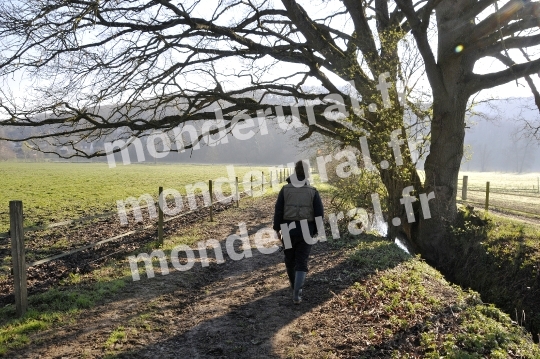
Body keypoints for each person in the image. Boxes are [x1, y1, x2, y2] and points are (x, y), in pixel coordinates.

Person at [273, 160, 324, 304]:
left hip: (287, 230)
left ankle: (293, 286)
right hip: (306, 230)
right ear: (307, 173)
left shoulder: (285, 189)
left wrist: (277, 229)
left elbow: (279, 210)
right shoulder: (313, 191)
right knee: (302, 261)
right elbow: (319, 213)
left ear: (295, 172)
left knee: (289, 259)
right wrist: (315, 230)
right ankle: (297, 293)